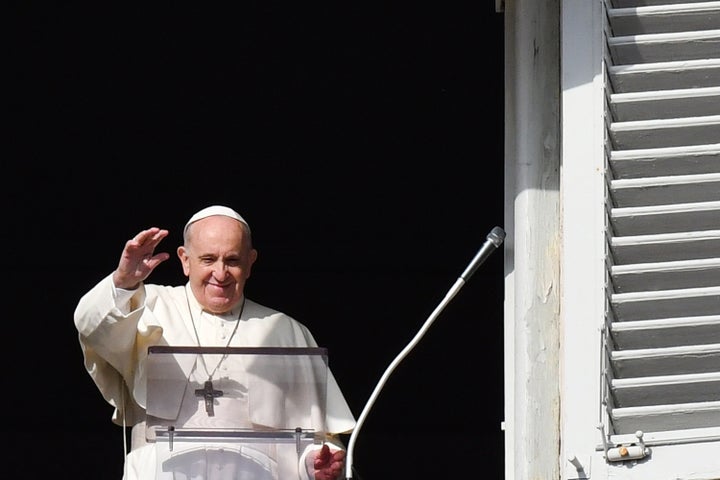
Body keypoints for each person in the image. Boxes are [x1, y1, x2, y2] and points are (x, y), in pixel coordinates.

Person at [74, 205, 356, 480]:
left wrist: (314, 462)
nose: (220, 274)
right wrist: (123, 281)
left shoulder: (284, 330)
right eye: (208, 259)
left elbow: (315, 438)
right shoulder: (146, 307)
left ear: (250, 262)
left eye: (232, 260)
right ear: (185, 259)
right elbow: (90, 322)